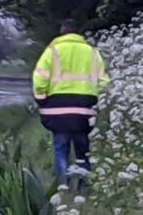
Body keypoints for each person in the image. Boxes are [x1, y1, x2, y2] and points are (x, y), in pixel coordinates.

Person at [31, 19, 107, 183]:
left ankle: (63, 186)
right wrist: (98, 98)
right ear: (78, 33)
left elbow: (40, 77)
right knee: (83, 149)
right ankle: (84, 185)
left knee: (61, 147)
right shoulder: (92, 53)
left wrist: (41, 97)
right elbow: (104, 81)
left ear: (62, 31)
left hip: (57, 107)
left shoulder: (53, 51)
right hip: (85, 107)